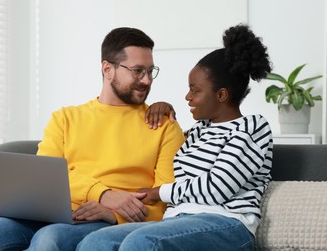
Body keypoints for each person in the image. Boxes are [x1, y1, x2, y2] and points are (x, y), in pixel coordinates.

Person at [0, 27, 185, 251]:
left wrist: (113, 213)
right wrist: (103, 193)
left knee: (50, 239)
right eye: (137, 71)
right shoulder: (65, 118)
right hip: (49, 213)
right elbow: (44, 177)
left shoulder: (165, 126)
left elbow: (165, 198)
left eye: (150, 71)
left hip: (102, 220)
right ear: (108, 69)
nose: (146, 80)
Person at [76, 24, 273, 251]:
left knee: (142, 242)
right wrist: (163, 107)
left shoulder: (252, 128)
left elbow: (217, 187)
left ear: (221, 95)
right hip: (177, 221)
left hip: (226, 224)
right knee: (97, 241)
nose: (187, 97)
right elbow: (170, 145)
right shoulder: (198, 131)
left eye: (195, 90)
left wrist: (159, 192)